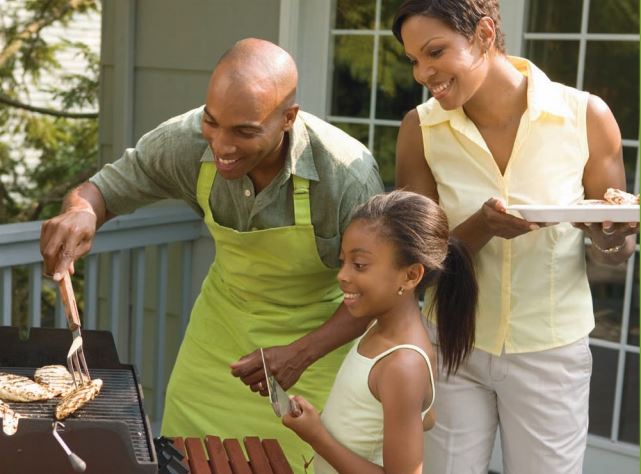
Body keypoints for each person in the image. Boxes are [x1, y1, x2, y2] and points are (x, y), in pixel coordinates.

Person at [39, 38, 384, 472]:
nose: (222, 145)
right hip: (216, 348)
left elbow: (381, 293)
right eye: (212, 121)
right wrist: (79, 214)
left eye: (244, 131)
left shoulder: (345, 176)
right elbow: (103, 190)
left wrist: (301, 352)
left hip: (312, 356)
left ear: (288, 119)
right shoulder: (186, 142)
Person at [392, 1, 639, 473]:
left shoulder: (586, 117)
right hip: (453, 343)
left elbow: (616, 254)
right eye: (414, 60)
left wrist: (610, 232)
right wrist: (481, 227)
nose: (423, 72)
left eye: (435, 52)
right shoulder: (419, 130)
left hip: (550, 351)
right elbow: (413, 262)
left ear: (485, 34)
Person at [282, 190, 478, 474]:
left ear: (411, 276)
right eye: (343, 262)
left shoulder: (402, 364)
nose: (343, 275)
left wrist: (318, 436)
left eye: (359, 265)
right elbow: (427, 416)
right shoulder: (379, 327)